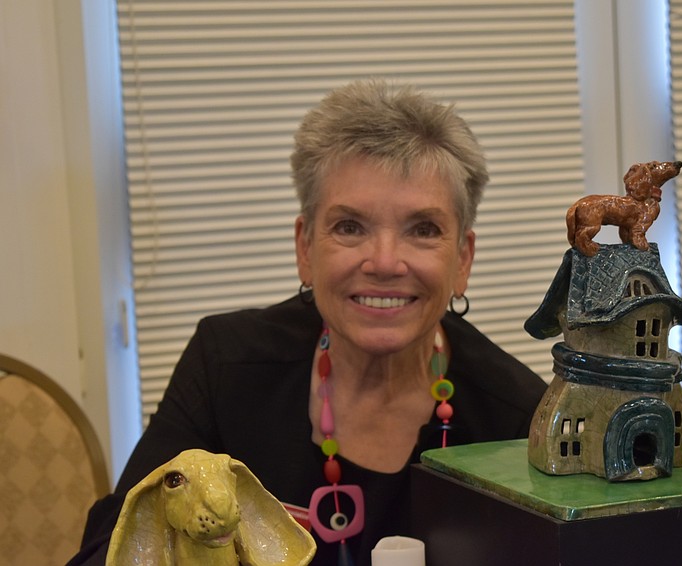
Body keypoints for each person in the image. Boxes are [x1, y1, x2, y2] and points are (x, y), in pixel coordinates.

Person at [69, 78, 547, 566]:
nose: (385, 262)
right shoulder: (225, 367)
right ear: (305, 248)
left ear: (462, 259)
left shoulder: (521, 422)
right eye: (349, 226)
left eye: (423, 229)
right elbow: (116, 545)